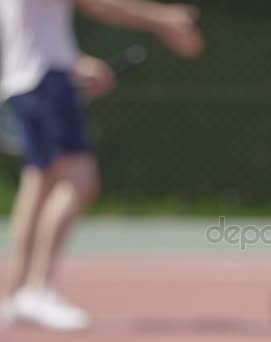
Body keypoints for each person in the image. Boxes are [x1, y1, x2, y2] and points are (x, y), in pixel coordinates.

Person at [0, 0, 202, 331]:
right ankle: (37, 291)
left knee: (39, 183)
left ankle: (18, 292)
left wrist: (74, 64)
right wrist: (164, 18)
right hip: (44, 82)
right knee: (79, 181)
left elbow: (33, 33)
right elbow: (95, 4)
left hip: (29, 79)